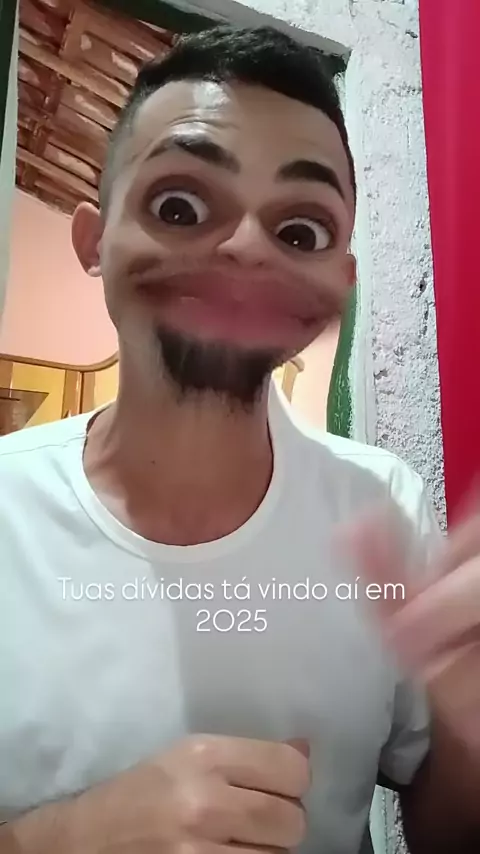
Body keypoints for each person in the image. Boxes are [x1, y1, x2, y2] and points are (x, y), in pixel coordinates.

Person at [0, 24, 479, 854]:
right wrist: (60, 837)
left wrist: (468, 729)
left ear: (337, 284)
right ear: (93, 241)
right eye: (179, 206)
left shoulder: (383, 506)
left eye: (301, 232)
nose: (247, 247)